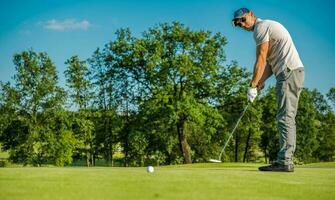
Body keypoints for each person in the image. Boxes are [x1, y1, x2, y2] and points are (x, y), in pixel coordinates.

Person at [232, 8, 305, 172]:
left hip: (288, 72)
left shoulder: (261, 27)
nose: (242, 24)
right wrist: (260, 82)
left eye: (243, 20)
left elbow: (261, 58)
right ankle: (285, 159)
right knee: (285, 115)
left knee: (285, 116)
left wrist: (252, 85)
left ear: (251, 14)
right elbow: (271, 64)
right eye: (238, 24)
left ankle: (285, 161)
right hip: (288, 72)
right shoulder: (265, 28)